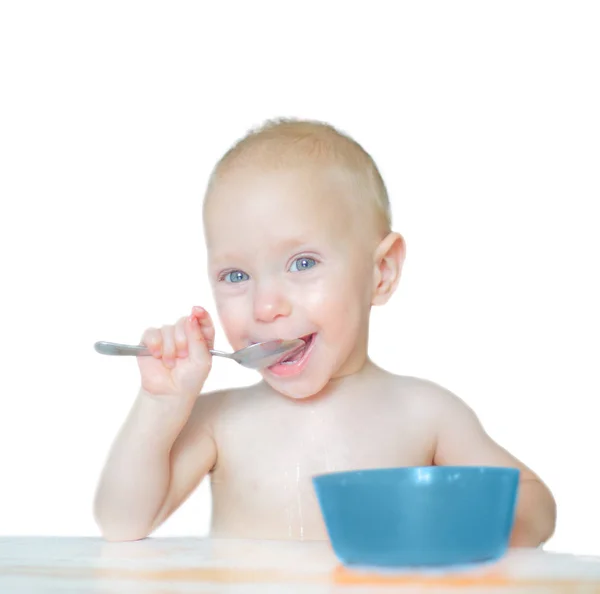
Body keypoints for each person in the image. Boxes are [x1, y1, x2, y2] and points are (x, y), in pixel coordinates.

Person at [94, 119, 556, 545]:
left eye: (303, 263)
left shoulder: (425, 414)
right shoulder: (220, 421)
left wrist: (449, 523)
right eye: (236, 275)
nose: (265, 306)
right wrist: (161, 406)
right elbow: (121, 523)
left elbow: (536, 505)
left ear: (381, 273)